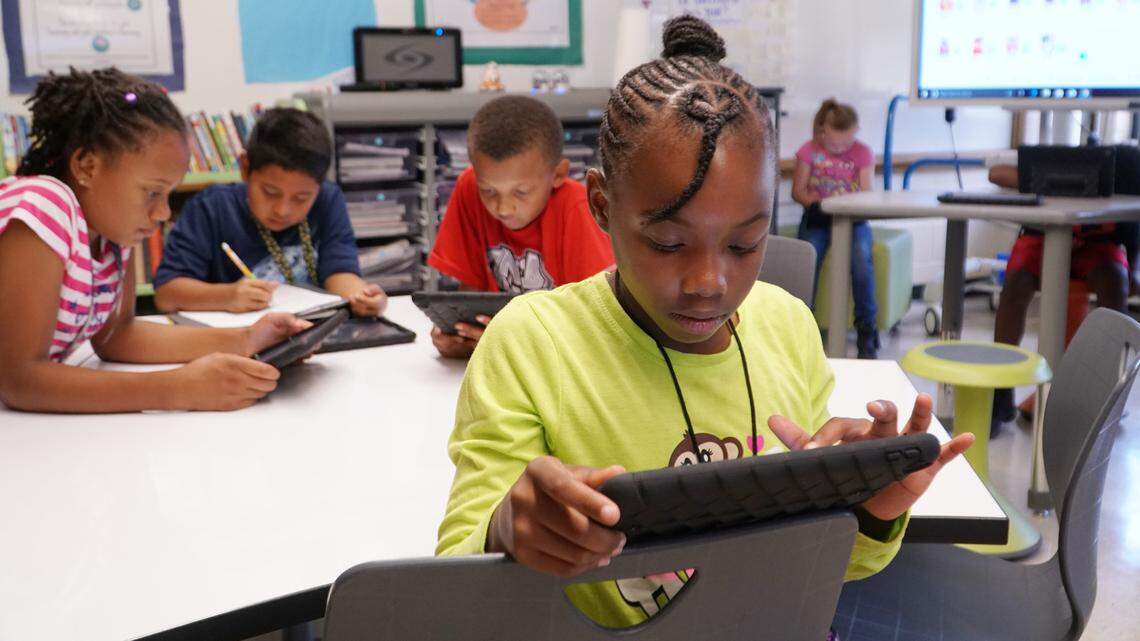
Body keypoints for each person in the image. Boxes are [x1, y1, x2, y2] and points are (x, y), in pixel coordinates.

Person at [435, 16, 973, 632]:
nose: (709, 282)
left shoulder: (787, 325)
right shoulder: (531, 343)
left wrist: (868, 511)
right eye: (668, 243)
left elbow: (825, 563)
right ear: (602, 206)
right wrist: (510, 528)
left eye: (745, 244)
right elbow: (460, 572)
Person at [0, 68, 308, 413]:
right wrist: (176, 388)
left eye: (168, 195)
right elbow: (18, 379)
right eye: (151, 192)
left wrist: (247, 339)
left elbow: (118, 336)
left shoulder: (113, 233)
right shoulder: (43, 206)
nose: (162, 213)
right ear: (87, 166)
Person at [427, 95, 614, 358]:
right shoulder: (468, 188)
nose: (503, 208)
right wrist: (459, 333)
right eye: (489, 190)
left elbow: (594, 321)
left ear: (558, 175)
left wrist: (508, 342)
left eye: (522, 192)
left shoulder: (578, 209)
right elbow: (468, 294)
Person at [154, 108, 387, 318]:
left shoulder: (328, 199)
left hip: (310, 335)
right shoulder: (211, 208)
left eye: (301, 198)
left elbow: (339, 271)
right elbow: (167, 294)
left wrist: (361, 295)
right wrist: (226, 296)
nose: (282, 209)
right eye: (270, 192)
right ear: (245, 168)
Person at [987, 147, 1139, 430]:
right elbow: (996, 174)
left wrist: (1135, 266)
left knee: (1117, 282)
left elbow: (1133, 223)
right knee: (1016, 283)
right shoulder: (1048, 159)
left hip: (1098, 243)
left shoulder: (1128, 163)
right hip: (1042, 236)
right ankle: (1000, 390)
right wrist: (1045, 176)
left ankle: (1104, 393)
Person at [792, 98, 880, 358]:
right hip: (818, 217)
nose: (840, 148)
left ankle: (866, 329)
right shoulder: (808, 151)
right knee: (807, 261)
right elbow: (798, 190)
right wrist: (817, 204)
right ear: (822, 131)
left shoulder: (863, 153)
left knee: (862, 262)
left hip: (853, 219)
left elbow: (866, 192)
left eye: (846, 143)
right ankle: (799, 327)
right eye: (834, 143)